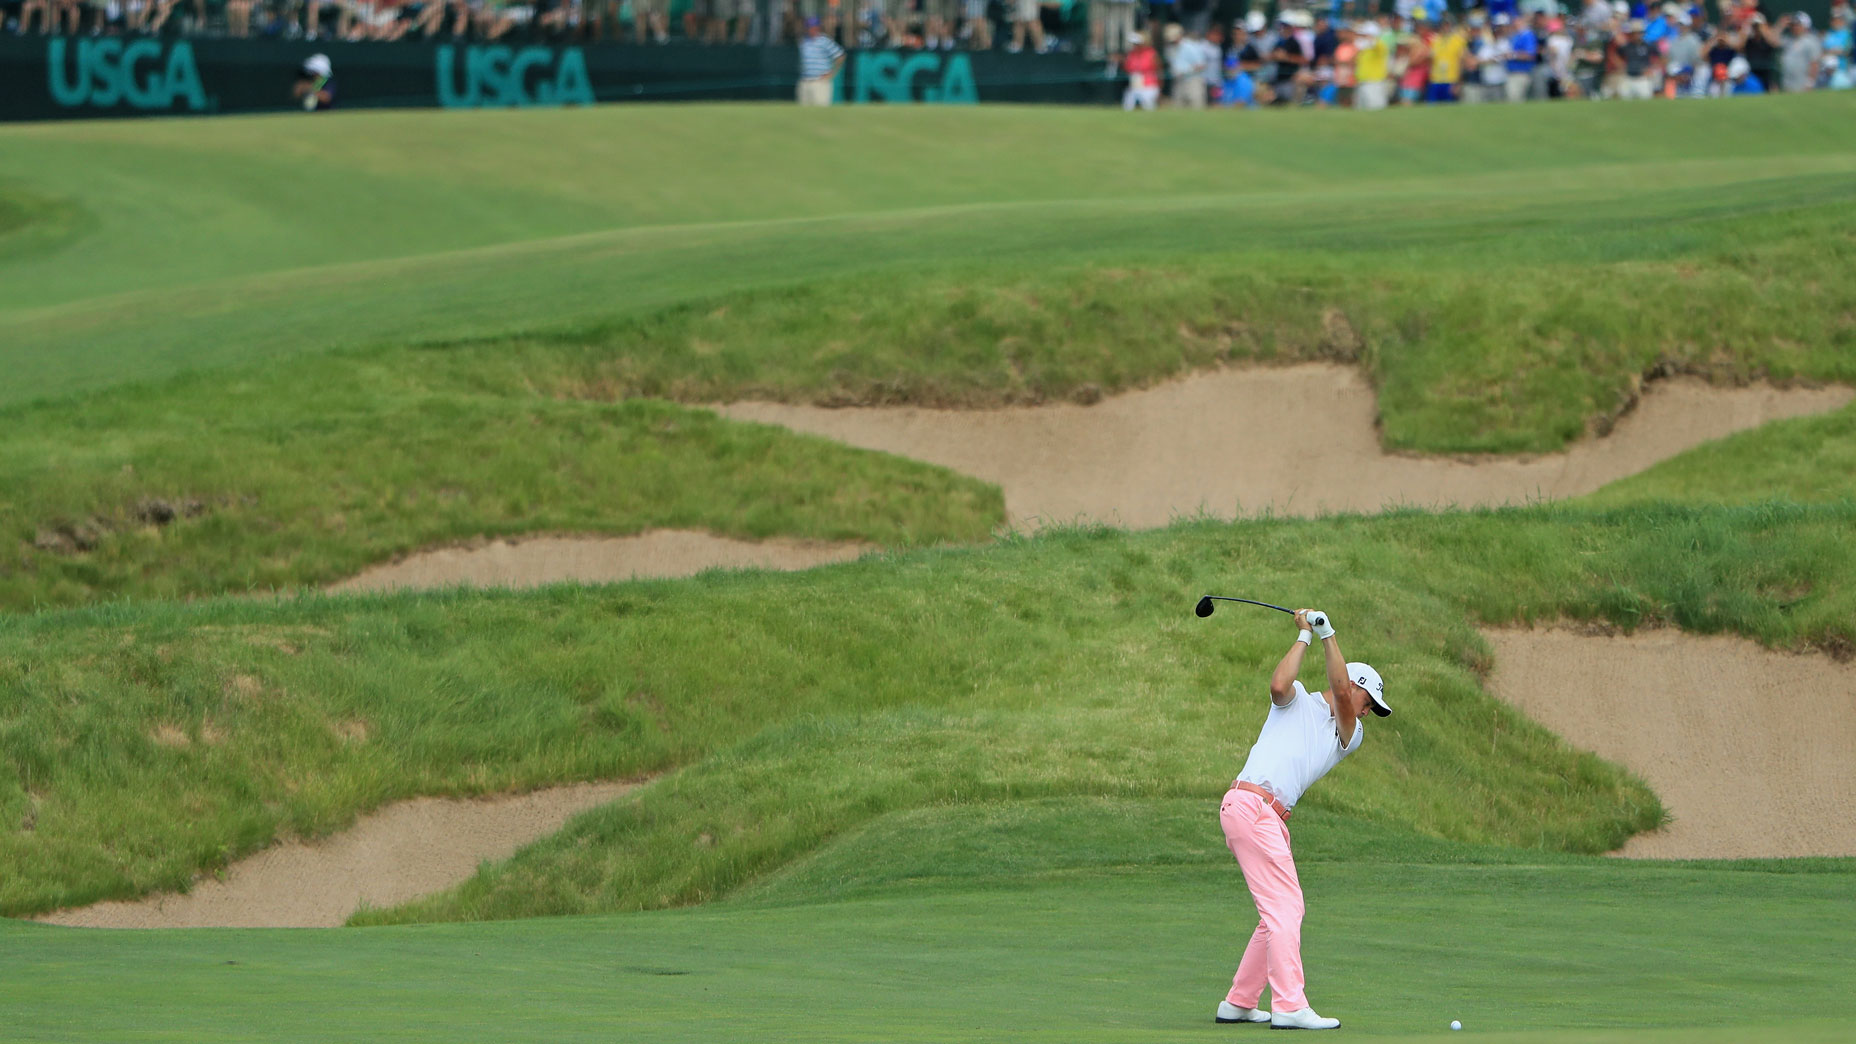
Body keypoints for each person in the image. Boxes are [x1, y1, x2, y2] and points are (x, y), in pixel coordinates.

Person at [1212, 607, 1393, 1033]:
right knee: (1286, 908)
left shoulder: (1348, 733)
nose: (1368, 712)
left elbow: (1342, 695)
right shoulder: (1296, 702)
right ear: (1357, 685)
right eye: (1370, 702)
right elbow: (1279, 685)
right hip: (1252, 806)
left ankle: (1239, 1002)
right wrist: (1308, 636)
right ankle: (1290, 1005)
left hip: (1263, 815)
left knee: (1276, 912)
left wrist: (1327, 632)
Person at [797, 17, 844, 105]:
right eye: (809, 27)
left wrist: (832, 73)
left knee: (820, 109)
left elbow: (840, 56)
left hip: (820, 82)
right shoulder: (803, 41)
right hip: (805, 81)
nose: (812, 29)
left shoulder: (824, 41)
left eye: (814, 27)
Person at [1172, 25, 1216, 107]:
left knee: (1196, 107)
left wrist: (1185, 71)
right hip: (1179, 82)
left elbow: (1202, 65)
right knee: (1178, 108)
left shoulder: (1190, 47)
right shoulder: (1173, 48)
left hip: (1193, 82)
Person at [1613, 19, 1659, 96]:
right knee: (1624, 99)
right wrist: (1621, 65)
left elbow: (1660, 57)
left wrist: (1652, 68)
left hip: (1643, 78)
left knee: (1645, 99)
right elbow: (1615, 55)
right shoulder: (1627, 46)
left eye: (1639, 33)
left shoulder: (1648, 45)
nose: (1637, 35)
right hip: (1628, 77)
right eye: (1635, 33)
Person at [1779, 12, 1824, 90]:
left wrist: (1810, 83)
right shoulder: (1788, 39)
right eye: (1793, 25)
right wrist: (1780, 25)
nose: (1795, 27)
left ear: (1806, 26)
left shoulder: (1811, 41)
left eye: (1798, 25)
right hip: (1787, 82)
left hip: (1803, 83)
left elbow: (1815, 63)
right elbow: (1773, 41)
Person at [1353, 20, 1391, 107]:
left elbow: (1377, 45)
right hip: (1362, 82)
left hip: (1374, 83)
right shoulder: (1364, 49)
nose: (1361, 37)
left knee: (1375, 108)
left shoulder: (1379, 46)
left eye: (1364, 35)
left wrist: (1370, 38)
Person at [1123, 30, 1162, 109]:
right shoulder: (1131, 54)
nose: (1135, 45)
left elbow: (1159, 70)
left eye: (1137, 44)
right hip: (1134, 85)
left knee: (1148, 106)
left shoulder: (1151, 54)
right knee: (1128, 106)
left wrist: (1160, 88)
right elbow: (1127, 68)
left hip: (1149, 85)